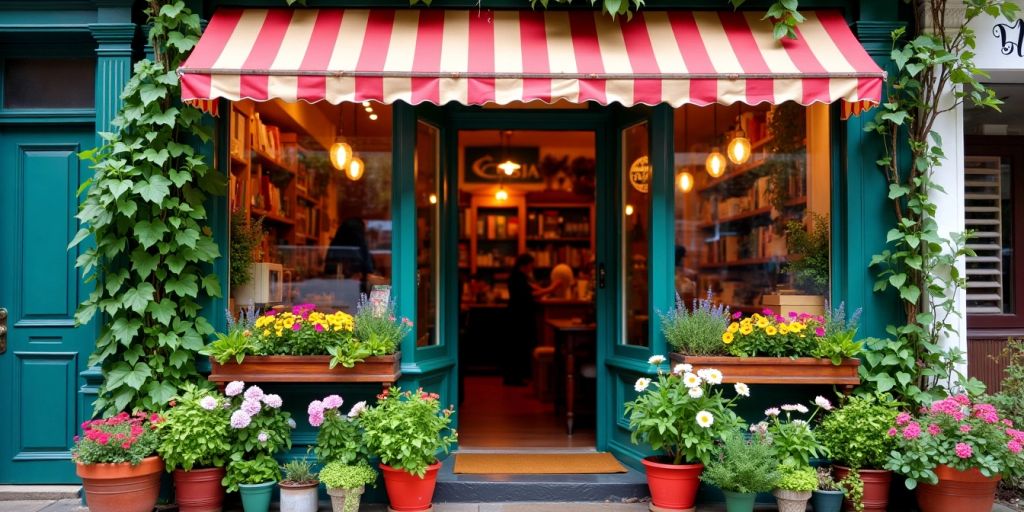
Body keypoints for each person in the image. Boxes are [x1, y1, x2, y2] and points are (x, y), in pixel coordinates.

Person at [504, 253, 558, 386]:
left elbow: (533, 289)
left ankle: (516, 377)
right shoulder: (518, 277)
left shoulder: (520, 276)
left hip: (517, 315)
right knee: (518, 347)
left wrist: (548, 289)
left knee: (518, 347)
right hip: (518, 316)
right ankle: (515, 378)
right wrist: (551, 289)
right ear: (525, 265)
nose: (532, 267)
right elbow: (530, 294)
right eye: (531, 264)